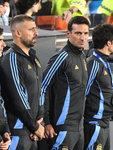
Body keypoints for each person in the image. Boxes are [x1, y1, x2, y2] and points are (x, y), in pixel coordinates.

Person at [41, 16, 89, 150]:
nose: (82, 37)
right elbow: (42, 88)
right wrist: (46, 122)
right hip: (63, 127)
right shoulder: (61, 57)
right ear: (68, 33)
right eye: (78, 33)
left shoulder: (83, 57)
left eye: (85, 33)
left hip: (79, 127)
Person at [0, 14, 45, 150]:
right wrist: (35, 126)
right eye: (31, 29)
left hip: (32, 131)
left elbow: (40, 90)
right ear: (18, 33)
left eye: (35, 29)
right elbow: (18, 97)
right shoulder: (11, 58)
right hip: (18, 132)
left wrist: (40, 120)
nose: (36, 33)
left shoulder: (34, 58)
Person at [84, 24, 113, 150]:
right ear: (108, 43)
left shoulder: (104, 61)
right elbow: (83, 92)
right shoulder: (93, 63)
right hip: (94, 123)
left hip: (104, 122)